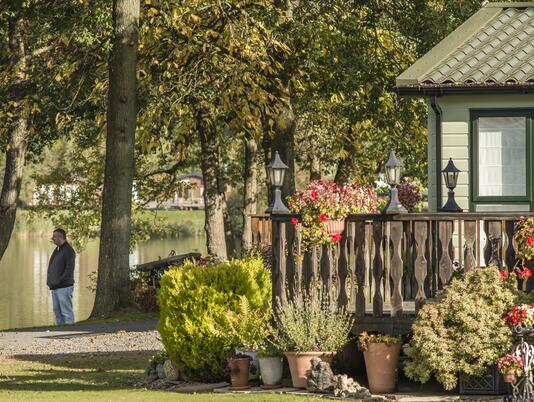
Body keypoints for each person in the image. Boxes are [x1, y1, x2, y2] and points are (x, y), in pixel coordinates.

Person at [47, 228, 76, 325]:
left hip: (64, 286)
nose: (52, 238)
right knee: (57, 312)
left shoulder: (68, 251)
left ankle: (70, 331)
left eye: (54, 236)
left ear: (60, 237)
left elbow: (69, 270)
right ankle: (59, 331)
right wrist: (51, 282)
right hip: (55, 286)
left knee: (66, 312)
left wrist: (59, 281)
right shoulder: (58, 249)